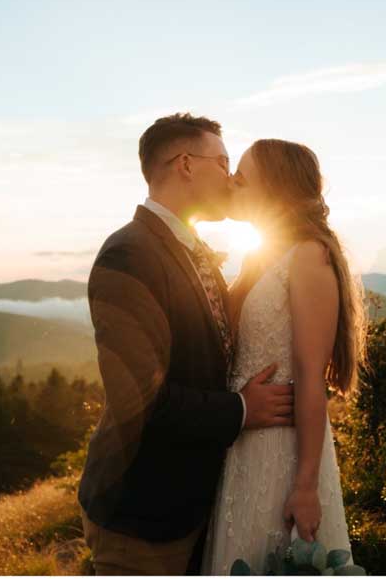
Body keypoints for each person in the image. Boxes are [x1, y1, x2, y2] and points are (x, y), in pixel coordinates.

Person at [77, 113, 296, 575]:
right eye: (223, 161)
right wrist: (241, 410)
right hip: (143, 513)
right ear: (186, 165)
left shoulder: (190, 248)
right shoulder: (129, 254)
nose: (232, 176)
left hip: (197, 503)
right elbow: (140, 400)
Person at [201, 139, 367, 575]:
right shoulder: (259, 255)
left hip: (284, 453)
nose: (231, 185)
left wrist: (306, 486)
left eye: (241, 179)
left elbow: (312, 378)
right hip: (245, 444)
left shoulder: (309, 255)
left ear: (273, 189)